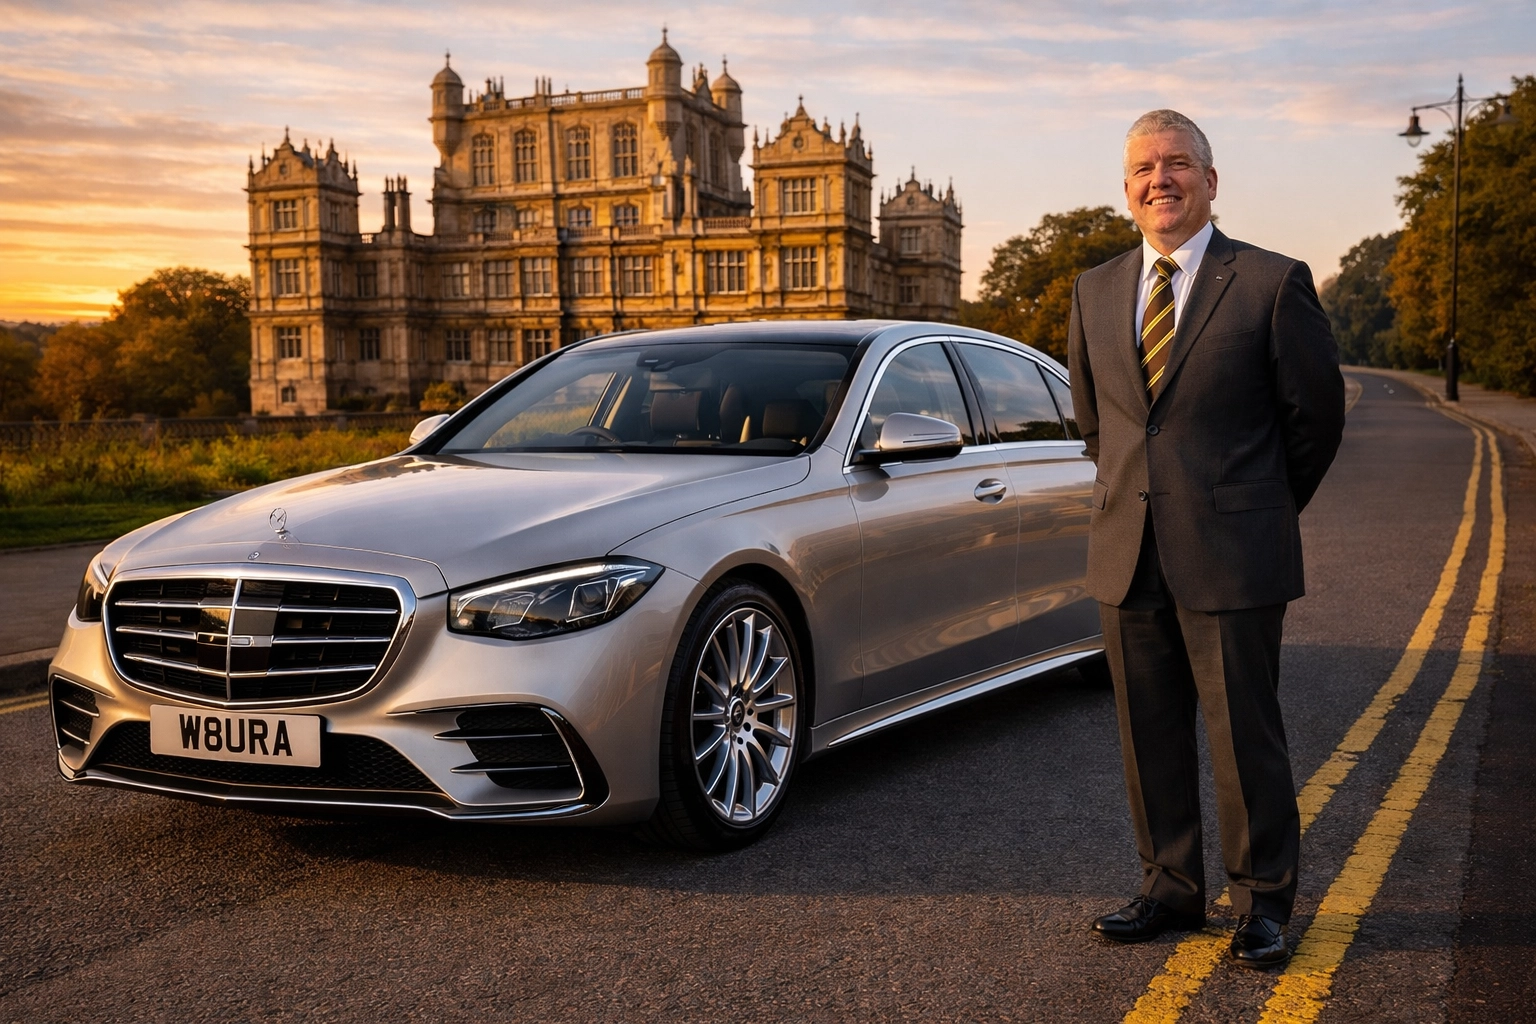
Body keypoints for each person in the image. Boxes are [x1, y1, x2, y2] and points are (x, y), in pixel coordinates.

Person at [1067, 109, 1345, 967]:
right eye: (1145, 169)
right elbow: (1096, 424)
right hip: (1127, 550)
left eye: (1179, 164)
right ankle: (1169, 888)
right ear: (1127, 193)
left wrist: (1251, 508)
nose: (1162, 180)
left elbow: (1316, 420)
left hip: (1232, 553)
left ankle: (1263, 902)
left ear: (1211, 181)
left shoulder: (1270, 282)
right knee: (1147, 733)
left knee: (1242, 736)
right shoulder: (1095, 290)